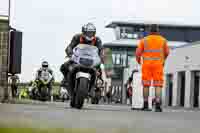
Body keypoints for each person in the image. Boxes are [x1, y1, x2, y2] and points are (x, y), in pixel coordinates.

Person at [60, 23, 103, 96]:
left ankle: (96, 85)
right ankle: (66, 81)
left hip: (91, 61)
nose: (90, 34)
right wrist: (70, 53)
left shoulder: (97, 40)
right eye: (88, 32)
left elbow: (101, 50)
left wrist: (103, 57)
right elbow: (70, 46)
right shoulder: (77, 37)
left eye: (92, 33)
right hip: (77, 59)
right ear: (84, 32)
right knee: (64, 67)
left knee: (99, 70)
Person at [136, 24, 170, 112]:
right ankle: (158, 106)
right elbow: (167, 52)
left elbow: (138, 53)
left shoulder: (144, 40)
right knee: (158, 85)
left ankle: (146, 105)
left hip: (147, 65)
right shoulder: (163, 40)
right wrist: (163, 60)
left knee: (146, 84)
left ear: (149, 31)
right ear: (157, 31)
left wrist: (139, 61)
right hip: (158, 65)